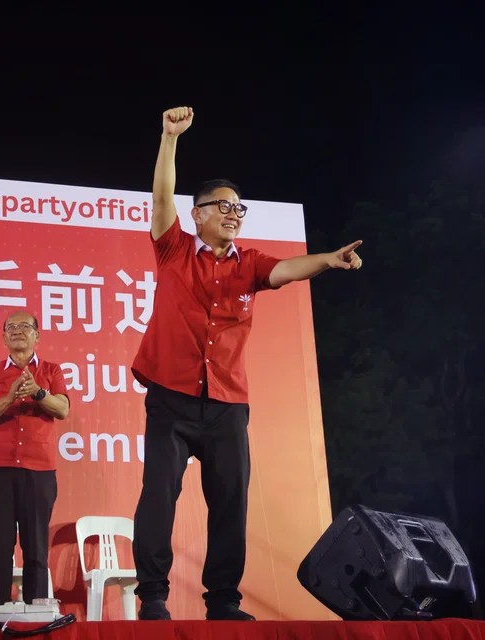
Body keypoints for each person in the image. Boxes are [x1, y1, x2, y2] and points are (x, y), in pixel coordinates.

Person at [131, 107, 363, 621]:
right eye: (223, 206)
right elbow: (162, 196)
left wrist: (326, 259)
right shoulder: (173, 250)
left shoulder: (250, 263)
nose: (234, 213)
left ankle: (224, 602)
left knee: (230, 505)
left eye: (240, 208)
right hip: (170, 398)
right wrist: (169, 138)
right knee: (158, 498)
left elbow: (286, 269)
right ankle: (152, 595)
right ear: (198, 214)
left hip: (227, 405)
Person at [0, 311, 70, 611]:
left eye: (25, 327)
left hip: (38, 470)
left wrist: (39, 393)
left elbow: (62, 408)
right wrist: (10, 396)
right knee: (0, 549)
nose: (17, 332)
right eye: (11, 328)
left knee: (36, 548)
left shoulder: (51, 370)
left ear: (37, 336)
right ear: (3, 337)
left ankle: (38, 614)